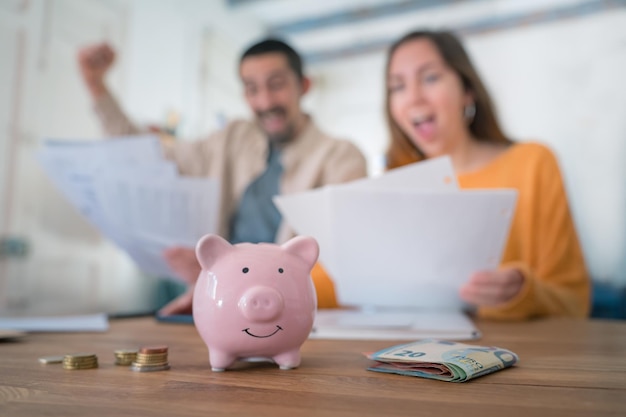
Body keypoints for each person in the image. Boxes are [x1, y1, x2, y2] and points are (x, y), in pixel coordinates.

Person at [77, 38, 367, 315]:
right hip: (221, 307)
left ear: (303, 86)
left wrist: (216, 273)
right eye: (252, 89)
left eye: (276, 85)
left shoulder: (341, 157)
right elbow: (142, 154)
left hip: (292, 317)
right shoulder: (231, 139)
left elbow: (339, 265)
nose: (265, 101)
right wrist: (95, 84)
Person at [380, 29, 590, 320]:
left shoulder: (533, 163)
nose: (413, 98)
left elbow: (574, 302)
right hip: (413, 357)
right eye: (397, 86)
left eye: (430, 77)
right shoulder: (392, 185)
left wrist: (522, 293)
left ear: (467, 91)